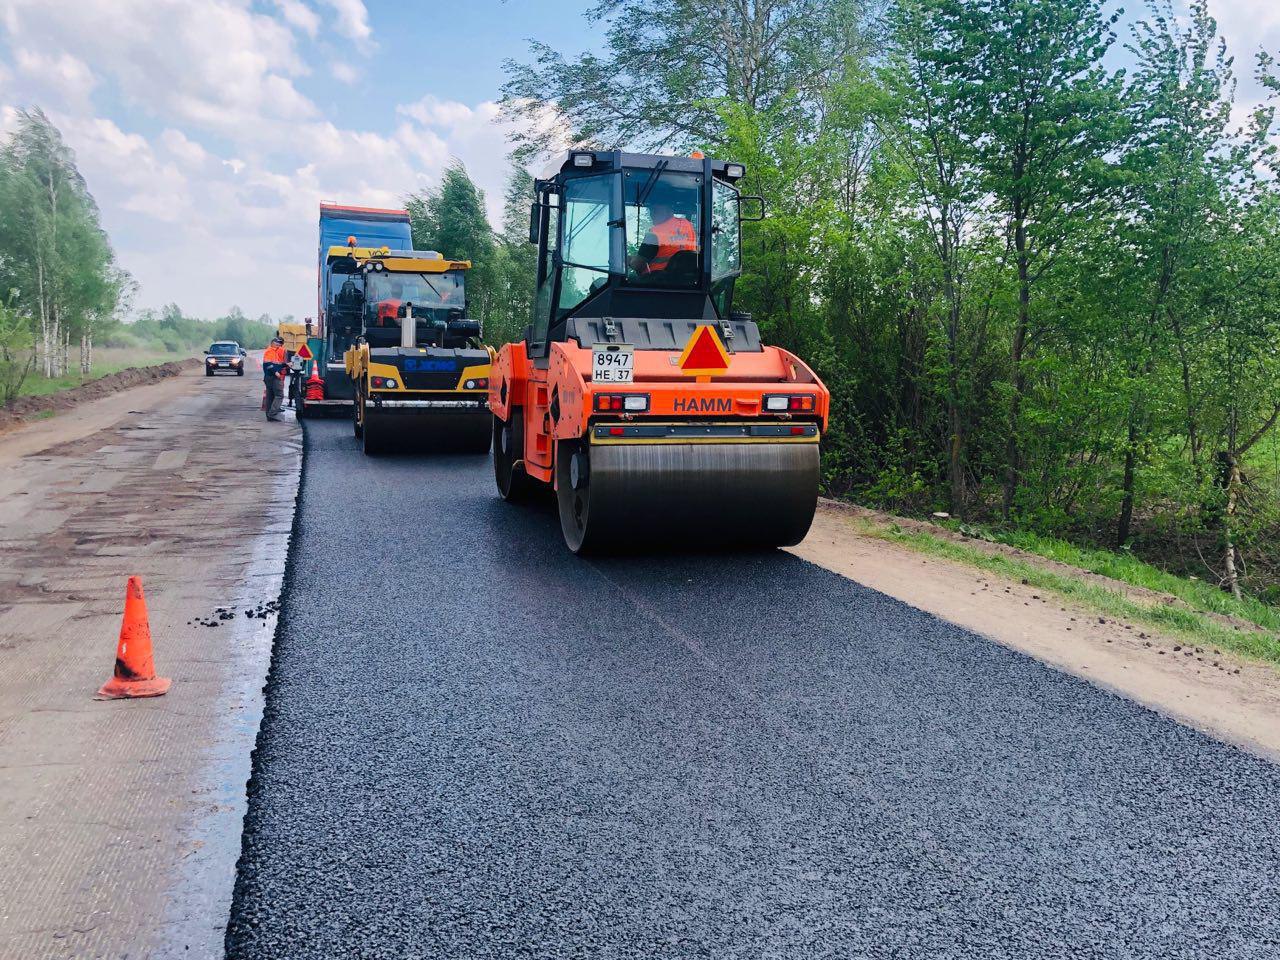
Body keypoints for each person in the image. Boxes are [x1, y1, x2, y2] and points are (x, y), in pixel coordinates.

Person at [630, 190, 698, 276]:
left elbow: (638, 265)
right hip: (687, 278)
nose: (651, 214)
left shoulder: (655, 233)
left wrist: (628, 260)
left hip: (658, 279)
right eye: (650, 210)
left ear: (670, 210)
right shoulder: (688, 226)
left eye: (655, 210)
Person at [262, 336, 288, 421]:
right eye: (277, 343)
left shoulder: (275, 351)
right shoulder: (270, 351)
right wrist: (275, 372)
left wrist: (286, 364)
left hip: (269, 377)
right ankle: (272, 414)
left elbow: (277, 363)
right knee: (279, 395)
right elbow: (268, 364)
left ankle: (269, 416)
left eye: (280, 343)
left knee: (270, 396)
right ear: (273, 343)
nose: (279, 345)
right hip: (273, 377)